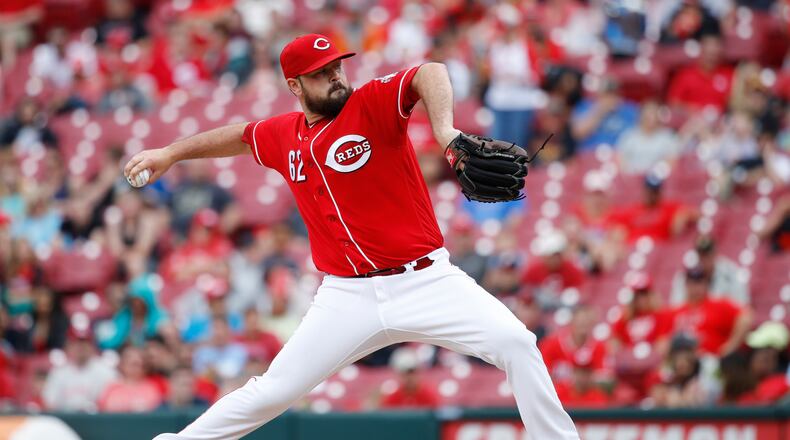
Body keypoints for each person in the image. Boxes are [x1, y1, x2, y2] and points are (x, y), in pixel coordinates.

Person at [125, 34, 579, 439]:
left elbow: (429, 72)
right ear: (295, 86)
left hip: (426, 281)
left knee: (517, 344)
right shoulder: (284, 134)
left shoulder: (371, 104)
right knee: (271, 393)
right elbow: (242, 137)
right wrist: (170, 153)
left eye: (336, 67)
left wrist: (446, 131)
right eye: (320, 74)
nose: (335, 77)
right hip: (346, 297)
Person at [670, 267, 753, 356]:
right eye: (691, 283)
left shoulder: (719, 305)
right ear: (686, 285)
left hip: (712, 361)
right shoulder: (676, 312)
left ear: (706, 285)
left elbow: (746, 318)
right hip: (684, 363)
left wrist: (730, 346)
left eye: (699, 282)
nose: (695, 287)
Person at [42, 326, 117, 411]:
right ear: (68, 345)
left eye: (84, 343)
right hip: (65, 420)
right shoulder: (58, 373)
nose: (80, 347)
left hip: (97, 420)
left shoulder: (106, 372)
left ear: (92, 346)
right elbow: (49, 404)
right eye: (76, 343)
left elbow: (112, 405)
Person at [670, 236, 749, 305]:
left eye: (708, 254)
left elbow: (741, 304)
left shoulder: (731, 272)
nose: (705, 259)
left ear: (715, 253)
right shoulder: (686, 274)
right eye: (702, 255)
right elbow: (676, 305)